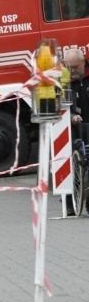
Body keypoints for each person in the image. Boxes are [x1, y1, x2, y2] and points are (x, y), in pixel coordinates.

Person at [64, 48, 89, 215]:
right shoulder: (63, 80)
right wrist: (71, 115)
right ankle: (69, 204)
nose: (72, 71)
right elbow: (60, 105)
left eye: (75, 67)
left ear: (84, 62)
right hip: (74, 127)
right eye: (69, 67)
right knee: (67, 161)